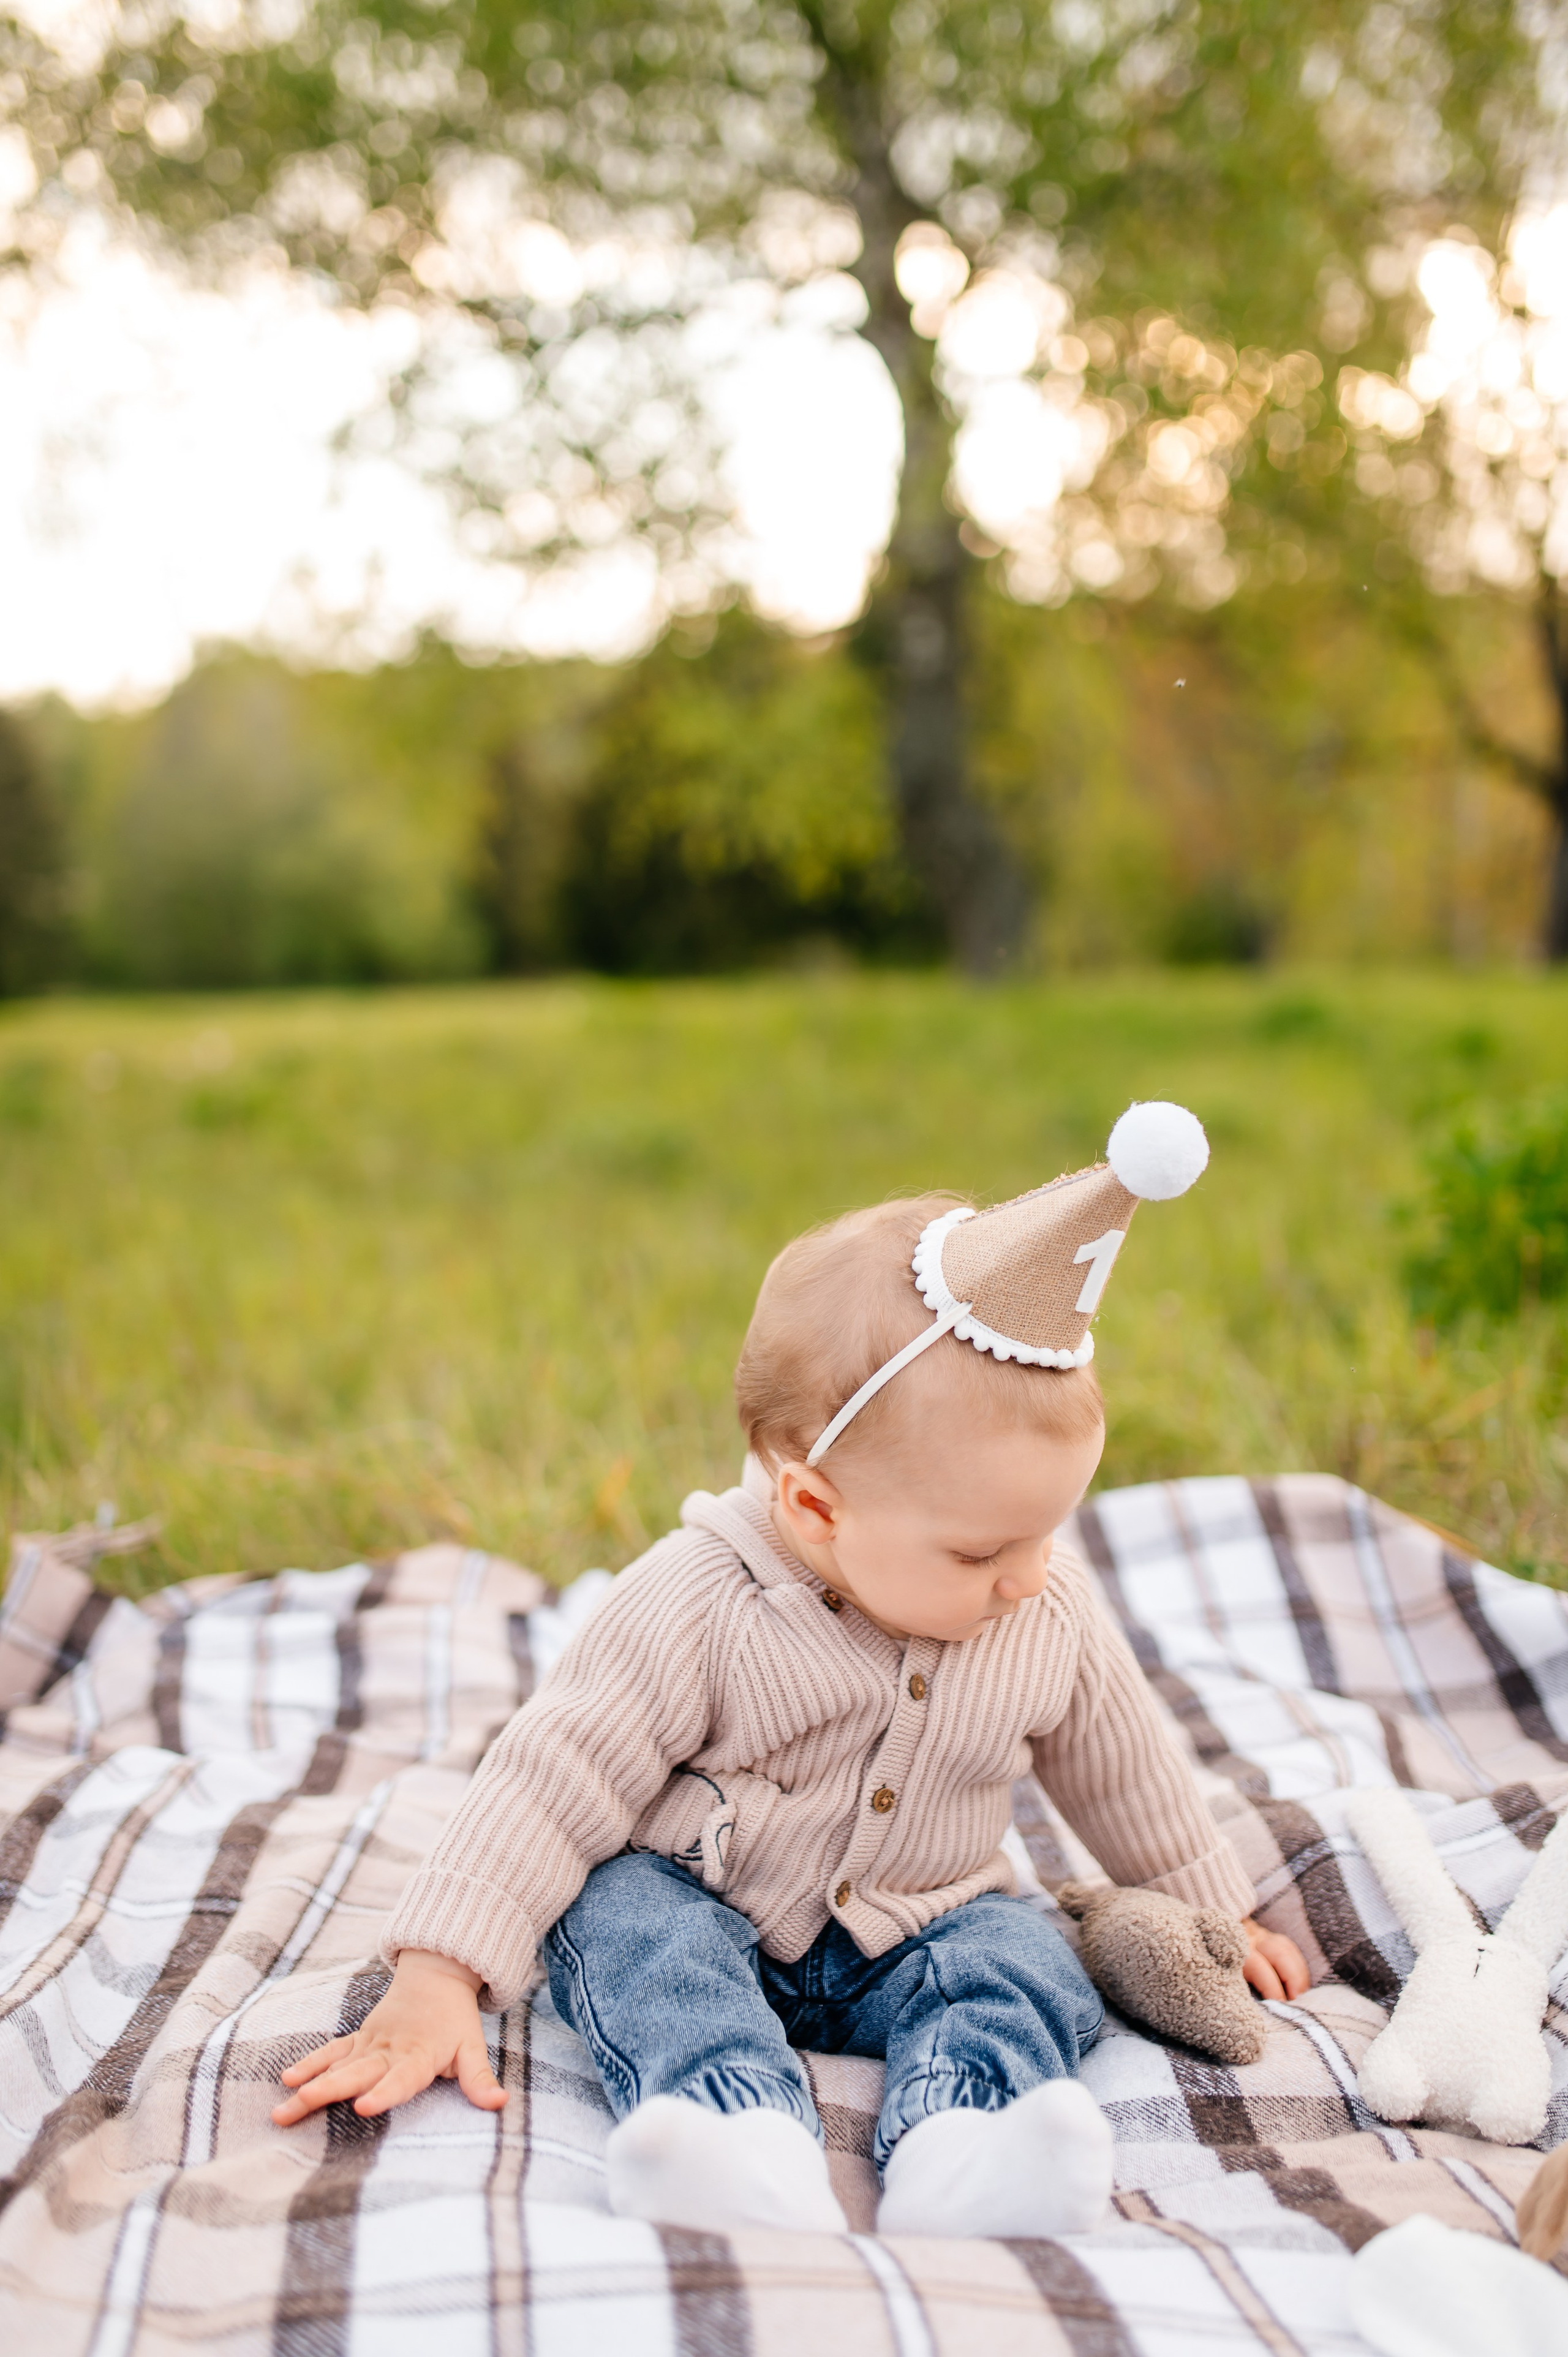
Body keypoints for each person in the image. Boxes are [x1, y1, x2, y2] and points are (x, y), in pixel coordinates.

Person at [274, 1105, 1309, 2238]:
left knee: (1023, 1959)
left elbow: (1126, 1773)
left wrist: (1212, 1909)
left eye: (1046, 1534)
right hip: (707, 1900)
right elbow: (551, 1775)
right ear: (814, 1505)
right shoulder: (702, 1600)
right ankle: (729, 2132)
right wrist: (438, 1977)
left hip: (923, 1918)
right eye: (981, 1551)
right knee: (623, 1926)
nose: (1027, 1577)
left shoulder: (1044, 1606)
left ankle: (970, 2139)